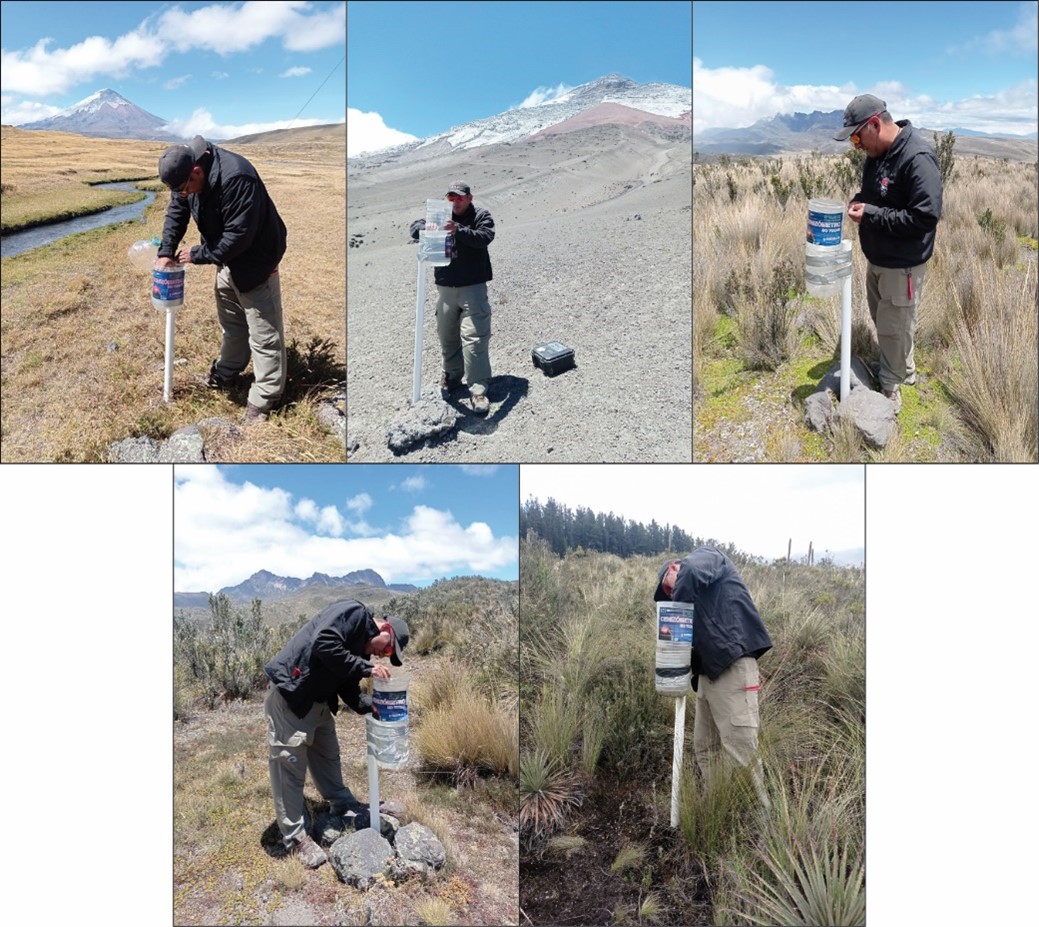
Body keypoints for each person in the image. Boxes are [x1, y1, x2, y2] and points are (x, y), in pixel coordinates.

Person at [262, 600, 410, 868]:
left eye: (387, 656)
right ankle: (295, 837)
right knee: (289, 767)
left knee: (328, 756)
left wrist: (372, 707)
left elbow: (348, 687)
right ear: (384, 629)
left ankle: (342, 805)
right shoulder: (353, 613)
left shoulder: (360, 651)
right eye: (387, 649)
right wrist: (366, 669)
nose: (381, 656)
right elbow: (323, 644)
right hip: (291, 695)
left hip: (318, 702)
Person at [156, 135, 288, 423]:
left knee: (264, 334)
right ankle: (227, 372)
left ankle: (263, 400)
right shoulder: (184, 175)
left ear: (197, 172)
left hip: (256, 261)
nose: (184, 195)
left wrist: (198, 254)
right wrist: (166, 251)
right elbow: (177, 211)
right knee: (232, 325)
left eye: (186, 189)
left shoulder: (237, 178)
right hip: (225, 259)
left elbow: (238, 238)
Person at [834, 94, 943, 414]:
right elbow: (872, 195)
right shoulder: (878, 154)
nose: (856, 145)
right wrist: (859, 202)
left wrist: (871, 216)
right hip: (879, 259)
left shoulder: (917, 156)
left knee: (894, 324)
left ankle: (890, 390)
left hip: (902, 265)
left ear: (875, 124)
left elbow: (925, 217)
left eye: (857, 136)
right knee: (889, 322)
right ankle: (902, 369)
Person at [654, 548, 772, 807]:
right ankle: (718, 808)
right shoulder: (695, 598)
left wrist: (676, 610)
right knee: (705, 748)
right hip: (706, 677)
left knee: (741, 750)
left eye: (668, 588)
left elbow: (692, 572)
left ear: (674, 568)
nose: (670, 596)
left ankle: (762, 824)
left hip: (732, 669)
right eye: (667, 596)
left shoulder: (706, 556)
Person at [411, 180, 496, 415]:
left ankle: (478, 389)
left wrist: (458, 230)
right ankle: (451, 377)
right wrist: (426, 228)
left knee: (475, 338)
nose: (455, 202)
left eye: (460, 197)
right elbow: (414, 227)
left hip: (473, 288)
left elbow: (485, 236)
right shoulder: (439, 215)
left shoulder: (480, 215)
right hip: (445, 289)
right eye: (451, 198)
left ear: (469, 198)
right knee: (446, 336)